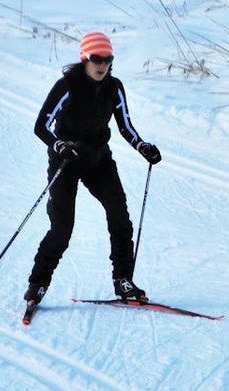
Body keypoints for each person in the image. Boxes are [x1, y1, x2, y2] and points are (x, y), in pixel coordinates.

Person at [24, 31, 163, 307]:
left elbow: (125, 126)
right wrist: (59, 145)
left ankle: (123, 280)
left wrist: (142, 146)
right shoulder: (67, 85)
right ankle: (37, 284)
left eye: (107, 60)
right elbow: (41, 126)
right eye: (96, 59)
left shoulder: (114, 87)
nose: (102, 65)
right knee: (62, 228)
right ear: (85, 59)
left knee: (120, 216)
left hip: (99, 161)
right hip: (66, 162)